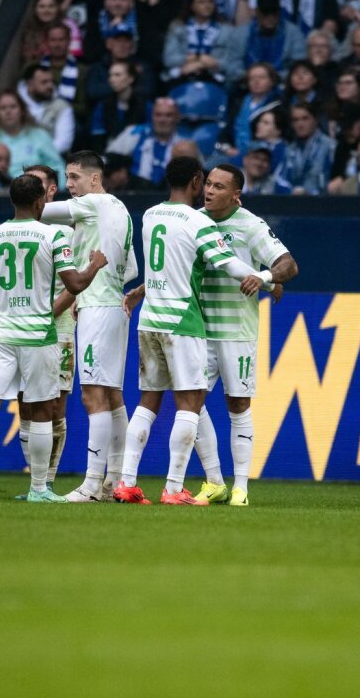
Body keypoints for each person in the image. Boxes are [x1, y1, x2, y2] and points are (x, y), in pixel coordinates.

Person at [116, 156, 275, 505]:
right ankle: (174, 489)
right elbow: (229, 263)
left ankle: (126, 483)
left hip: (149, 320)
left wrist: (141, 290)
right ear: (196, 180)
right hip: (182, 322)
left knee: (147, 402)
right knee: (189, 405)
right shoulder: (197, 222)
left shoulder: (151, 214)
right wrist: (264, 280)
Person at [0, 174, 107, 503]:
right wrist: (94, 266)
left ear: (12, 200)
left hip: (2, 334)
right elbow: (74, 285)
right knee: (42, 410)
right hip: (39, 335)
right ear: (41, 201)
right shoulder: (54, 236)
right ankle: (39, 488)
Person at [184, 163, 298, 506]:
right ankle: (214, 480)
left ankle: (241, 488)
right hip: (199, 329)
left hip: (237, 331)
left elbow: (289, 265)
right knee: (190, 401)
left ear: (236, 195)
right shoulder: (193, 220)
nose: (209, 191)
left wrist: (264, 278)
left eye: (219, 187)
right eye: (208, 184)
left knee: (238, 404)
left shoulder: (251, 226)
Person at [40, 151, 137, 503]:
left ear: (94, 179)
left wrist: (33, 197)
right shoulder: (119, 209)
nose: (68, 186)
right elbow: (131, 269)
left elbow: (39, 212)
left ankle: (92, 484)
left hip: (97, 308)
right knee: (112, 396)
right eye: (66, 178)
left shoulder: (93, 203)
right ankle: (114, 480)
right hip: (112, 306)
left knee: (91, 395)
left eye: (74, 177)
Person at [0, 89, 64, 181]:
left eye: (13, 107)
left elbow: (58, 167)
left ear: (22, 110)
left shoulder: (40, 135)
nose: (8, 111)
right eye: (3, 108)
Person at [107, 98, 194, 187]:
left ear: (177, 117)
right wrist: (119, 169)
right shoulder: (135, 132)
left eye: (168, 115)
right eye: (158, 115)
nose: (162, 120)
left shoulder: (186, 140)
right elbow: (109, 157)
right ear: (152, 116)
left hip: (171, 192)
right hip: (136, 191)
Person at [162, 0, 237, 84]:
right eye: (201, 2)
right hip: (182, 76)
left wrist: (211, 64)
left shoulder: (227, 30)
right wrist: (191, 59)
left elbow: (232, 62)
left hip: (215, 78)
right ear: (192, 6)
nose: (207, 5)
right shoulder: (177, 28)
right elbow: (168, 59)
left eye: (210, 1)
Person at [88, 59, 149, 153]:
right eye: (110, 75)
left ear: (130, 78)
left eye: (117, 75)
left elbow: (148, 133)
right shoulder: (103, 106)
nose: (111, 79)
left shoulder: (145, 105)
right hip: (109, 154)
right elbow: (97, 136)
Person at [17, 60, 75, 155]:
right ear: (30, 85)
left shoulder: (62, 107)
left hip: (50, 162)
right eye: (44, 82)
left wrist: (35, 156)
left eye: (51, 81)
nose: (50, 86)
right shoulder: (15, 105)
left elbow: (63, 143)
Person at [286, 102, 336, 194]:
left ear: (315, 120)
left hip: (322, 201)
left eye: (305, 119)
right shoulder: (289, 150)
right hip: (292, 201)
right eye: (295, 120)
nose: (300, 124)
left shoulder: (330, 146)